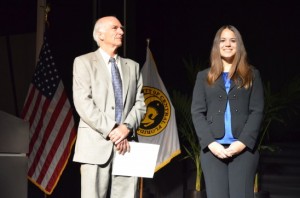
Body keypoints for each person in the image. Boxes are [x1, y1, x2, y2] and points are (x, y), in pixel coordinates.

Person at [72, 16, 146, 198]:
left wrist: (126, 128)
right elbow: (83, 102)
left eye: (121, 28)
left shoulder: (133, 67)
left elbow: (140, 104)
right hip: (95, 147)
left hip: (127, 145)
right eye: (115, 28)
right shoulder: (83, 62)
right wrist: (113, 129)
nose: (121, 32)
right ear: (100, 34)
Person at [191, 25, 264, 198]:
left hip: (244, 150)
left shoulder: (252, 75)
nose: (228, 44)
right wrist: (211, 144)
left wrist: (242, 143)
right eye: (223, 40)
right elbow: (197, 112)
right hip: (213, 150)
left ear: (239, 45)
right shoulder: (204, 76)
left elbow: (257, 111)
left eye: (233, 40)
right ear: (217, 45)